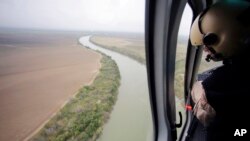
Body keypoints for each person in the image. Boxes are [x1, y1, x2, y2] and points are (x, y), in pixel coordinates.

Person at [189, 1, 250, 140]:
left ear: (225, 37)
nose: (205, 49)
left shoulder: (216, 85)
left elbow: (207, 119)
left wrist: (199, 92)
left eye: (207, 43)